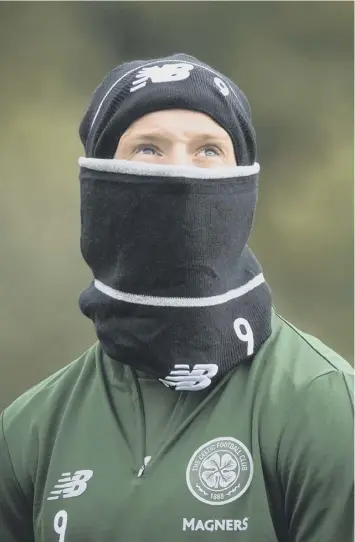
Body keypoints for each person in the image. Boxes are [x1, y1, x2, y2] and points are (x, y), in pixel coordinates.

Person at [0, 53, 353, 542]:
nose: (182, 174)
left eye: (209, 150)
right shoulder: (30, 431)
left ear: (245, 182)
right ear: (98, 183)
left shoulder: (323, 404)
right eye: (148, 149)